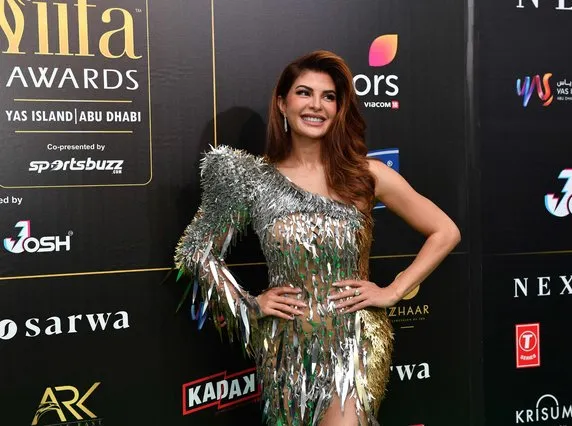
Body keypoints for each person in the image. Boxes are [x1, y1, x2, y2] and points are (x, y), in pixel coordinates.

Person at [175, 50, 460, 426]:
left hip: (352, 340)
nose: (317, 105)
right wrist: (249, 304)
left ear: (339, 108)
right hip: (285, 347)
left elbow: (445, 231)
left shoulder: (366, 175)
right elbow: (196, 251)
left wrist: (393, 290)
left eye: (329, 97)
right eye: (304, 93)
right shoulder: (251, 180)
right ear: (282, 103)